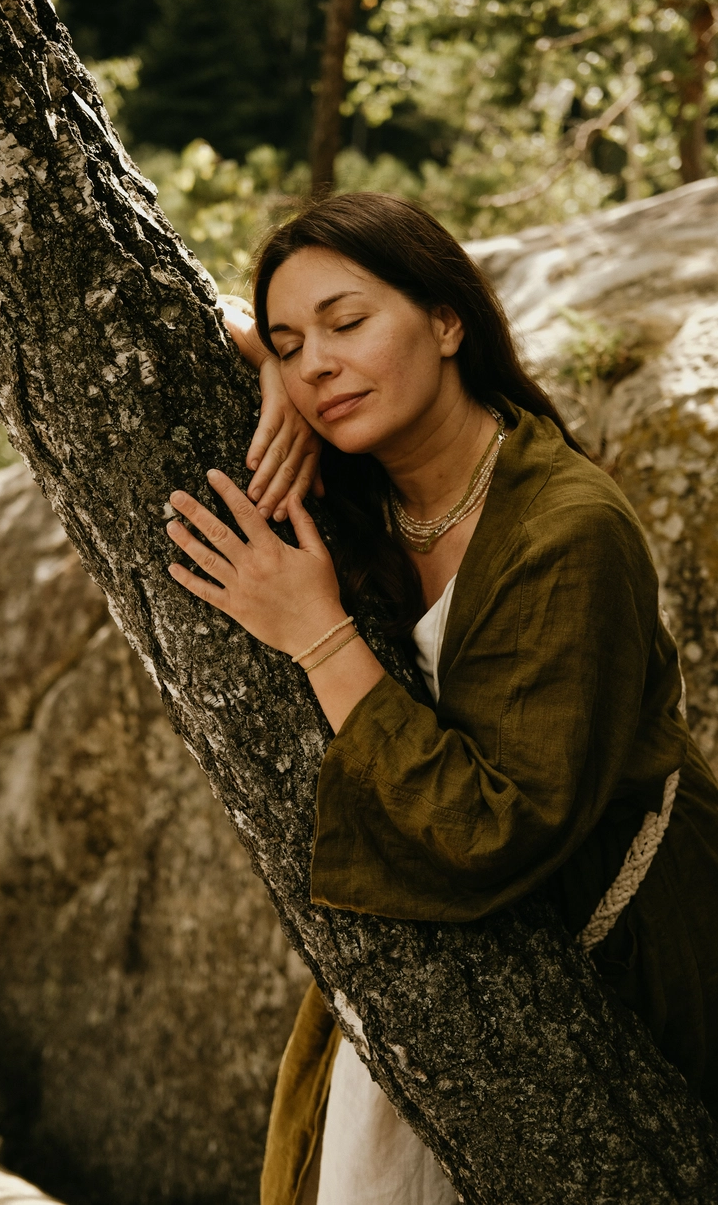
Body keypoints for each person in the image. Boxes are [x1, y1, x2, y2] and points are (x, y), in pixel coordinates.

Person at [165, 193, 718, 1204]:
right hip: (425, 947)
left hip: (623, 949)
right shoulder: (365, 481)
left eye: (347, 321)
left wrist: (317, 632)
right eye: (293, 343)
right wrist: (268, 370)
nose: (318, 361)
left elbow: (490, 825)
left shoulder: (566, 530)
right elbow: (197, 311)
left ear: (447, 319)